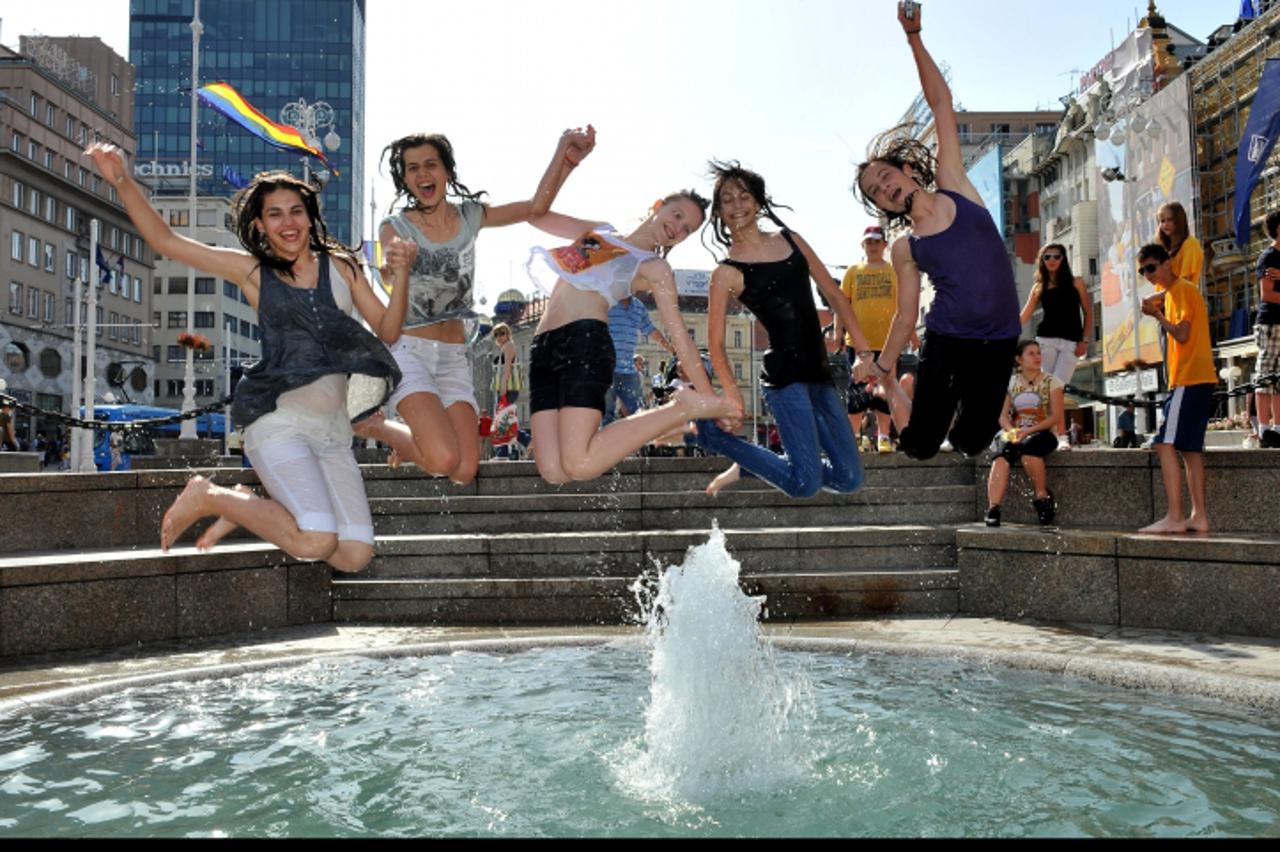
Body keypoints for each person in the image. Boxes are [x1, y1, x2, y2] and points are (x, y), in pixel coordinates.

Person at [86, 142, 408, 572]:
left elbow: (388, 331)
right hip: (279, 424)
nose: (287, 222)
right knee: (315, 540)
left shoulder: (344, 267)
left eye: (295, 210)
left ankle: (241, 505)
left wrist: (402, 275)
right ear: (260, 225)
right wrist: (123, 181)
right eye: (275, 214)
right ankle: (211, 495)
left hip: (332, 434)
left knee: (353, 555)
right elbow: (167, 241)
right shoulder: (254, 272)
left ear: (310, 217)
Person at [356, 127, 595, 483]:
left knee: (465, 471)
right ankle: (382, 429)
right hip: (409, 351)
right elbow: (390, 273)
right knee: (443, 458)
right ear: (404, 178)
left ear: (447, 171)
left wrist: (566, 156)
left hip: (454, 356)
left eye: (430, 165)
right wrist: (396, 265)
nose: (422, 174)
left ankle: (412, 436)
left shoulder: (470, 216)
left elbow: (535, 208)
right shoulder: (396, 226)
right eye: (412, 168)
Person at [853, 3, 1022, 461]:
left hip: (1001, 336)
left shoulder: (954, 185)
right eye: (874, 191)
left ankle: (954, 412)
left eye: (885, 177)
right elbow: (905, 317)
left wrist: (914, 37)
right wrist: (884, 366)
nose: (883, 187)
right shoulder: (905, 247)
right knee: (923, 446)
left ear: (907, 169)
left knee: (971, 442)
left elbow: (941, 102)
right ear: (881, 206)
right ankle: (888, 396)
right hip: (948, 340)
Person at [523, 188, 731, 484]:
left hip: (584, 343)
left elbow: (678, 335)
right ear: (657, 206)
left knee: (579, 464)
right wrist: (565, 160)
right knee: (554, 471)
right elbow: (536, 215)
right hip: (542, 347)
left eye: (687, 229)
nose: (678, 228)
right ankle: (682, 409)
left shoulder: (653, 266)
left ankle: (681, 408)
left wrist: (708, 397)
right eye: (677, 215)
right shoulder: (599, 232)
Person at [696, 161, 870, 499]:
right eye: (727, 200)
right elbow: (715, 343)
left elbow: (834, 294)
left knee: (850, 479)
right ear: (718, 212)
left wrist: (862, 351)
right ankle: (712, 437)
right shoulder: (726, 272)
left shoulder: (791, 240)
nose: (737, 205)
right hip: (783, 379)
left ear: (758, 203)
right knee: (804, 484)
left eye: (743, 196)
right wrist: (732, 394)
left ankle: (753, 464)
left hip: (819, 374)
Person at [1137, 243, 1216, 534]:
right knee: (1191, 451)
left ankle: (1174, 516)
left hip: (1188, 379)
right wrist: (1158, 302)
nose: (1147, 274)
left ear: (1167, 263)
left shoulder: (1181, 290)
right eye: (1142, 270)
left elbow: (1182, 334)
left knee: (1164, 442)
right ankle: (1199, 516)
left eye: (1151, 267)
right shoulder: (1176, 292)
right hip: (1199, 378)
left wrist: (1158, 316)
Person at [836, 225, 919, 453]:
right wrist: (837, 333)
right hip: (858, 343)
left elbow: (906, 305)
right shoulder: (853, 271)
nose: (872, 246)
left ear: (884, 245)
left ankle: (883, 435)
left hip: (889, 343)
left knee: (887, 389)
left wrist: (911, 334)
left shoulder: (894, 271)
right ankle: (852, 438)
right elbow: (842, 305)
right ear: (862, 245)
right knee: (856, 391)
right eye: (868, 242)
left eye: (876, 241)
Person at [985, 341, 1065, 527]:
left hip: (1042, 432)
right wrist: (1011, 431)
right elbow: (1002, 416)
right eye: (1031, 353)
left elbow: (1056, 417)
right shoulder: (1010, 382)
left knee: (1030, 449)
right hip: (1014, 431)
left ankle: (1042, 496)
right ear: (1019, 359)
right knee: (1001, 454)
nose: (1037, 357)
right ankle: (993, 508)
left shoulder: (1052, 382)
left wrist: (1028, 431)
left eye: (1038, 353)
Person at [1019, 244, 1093, 398]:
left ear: (1063, 259)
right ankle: (1050, 421)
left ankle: (1050, 421)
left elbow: (1088, 313)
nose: (1052, 260)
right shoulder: (1039, 286)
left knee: (1058, 386)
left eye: (1056, 256)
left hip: (1071, 343)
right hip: (1046, 341)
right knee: (1047, 388)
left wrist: (1085, 341)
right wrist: (1002, 330)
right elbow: (1025, 315)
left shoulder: (1076, 282)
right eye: (1047, 257)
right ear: (1042, 261)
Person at [602, 296, 673, 426]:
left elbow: (650, 329)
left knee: (637, 412)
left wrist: (671, 349)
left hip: (628, 369)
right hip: (606, 368)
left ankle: (635, 443)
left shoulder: (637, 306)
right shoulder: (607, 300)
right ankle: (606, 444)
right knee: (607, 414)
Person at [1254, 210, 1280, 448]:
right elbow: (1268, 294)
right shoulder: (1269, 257)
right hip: (1271, 323)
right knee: (1265, 377)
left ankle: (1279, 429)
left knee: (1279, 380)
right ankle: (1263, 430)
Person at [1157, 201, 1204, 289]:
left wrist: (1154, 298)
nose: (1165, 224)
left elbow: (1184, 284)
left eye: (1170, 219)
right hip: (1168, 302)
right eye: (1162, 221)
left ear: (1179, 220)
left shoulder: (1191, 244)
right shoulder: (1165, 251)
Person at [489, 323, 523, 411]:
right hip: (506, 387)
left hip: (508, 387)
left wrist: (503, 385)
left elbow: (508, 366)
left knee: (503, 416)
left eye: (502, 333)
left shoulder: (508, 346)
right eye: (496, 334)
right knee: (503, 416)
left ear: (508, 334)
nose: (499, 336)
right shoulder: (505, 347)